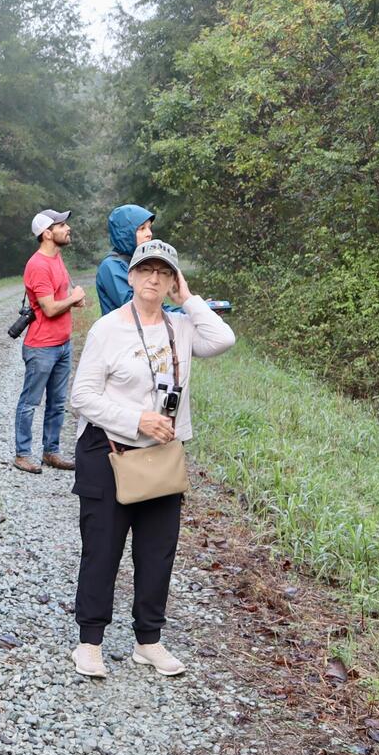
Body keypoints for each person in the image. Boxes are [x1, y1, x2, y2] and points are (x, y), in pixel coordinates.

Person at [68, 239, 236, 678]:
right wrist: (136, 418)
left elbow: (223, 338)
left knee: (157, 552)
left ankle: (149, 641)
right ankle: (90, 642)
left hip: (161, 457)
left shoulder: (181, 327)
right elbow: (81, 396)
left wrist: (189, 299)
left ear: (172, 280)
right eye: (146, 271)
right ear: (131, 277)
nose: (154, 279)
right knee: (102, 551)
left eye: (164, 273)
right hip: (108, 451)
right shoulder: (107, 329)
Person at [13, 208, 87, 475]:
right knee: (30, 402)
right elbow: (50, 308)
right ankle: (23, 454)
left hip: (63, 344)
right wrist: (73, 297)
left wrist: (75, 298)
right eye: (62, 225)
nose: (67, 229)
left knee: (57, 402)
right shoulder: (38, 265)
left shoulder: (57, 258)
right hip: (41, 346)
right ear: (47, 233)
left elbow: (62, 296)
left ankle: (51, 452)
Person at [94, 204, 156, 314]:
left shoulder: (136, 262)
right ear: (125, 234)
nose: (149, 234)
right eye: (142, 229)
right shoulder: (111, 266)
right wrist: (182, 313)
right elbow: (140, 309)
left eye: (149, 228)